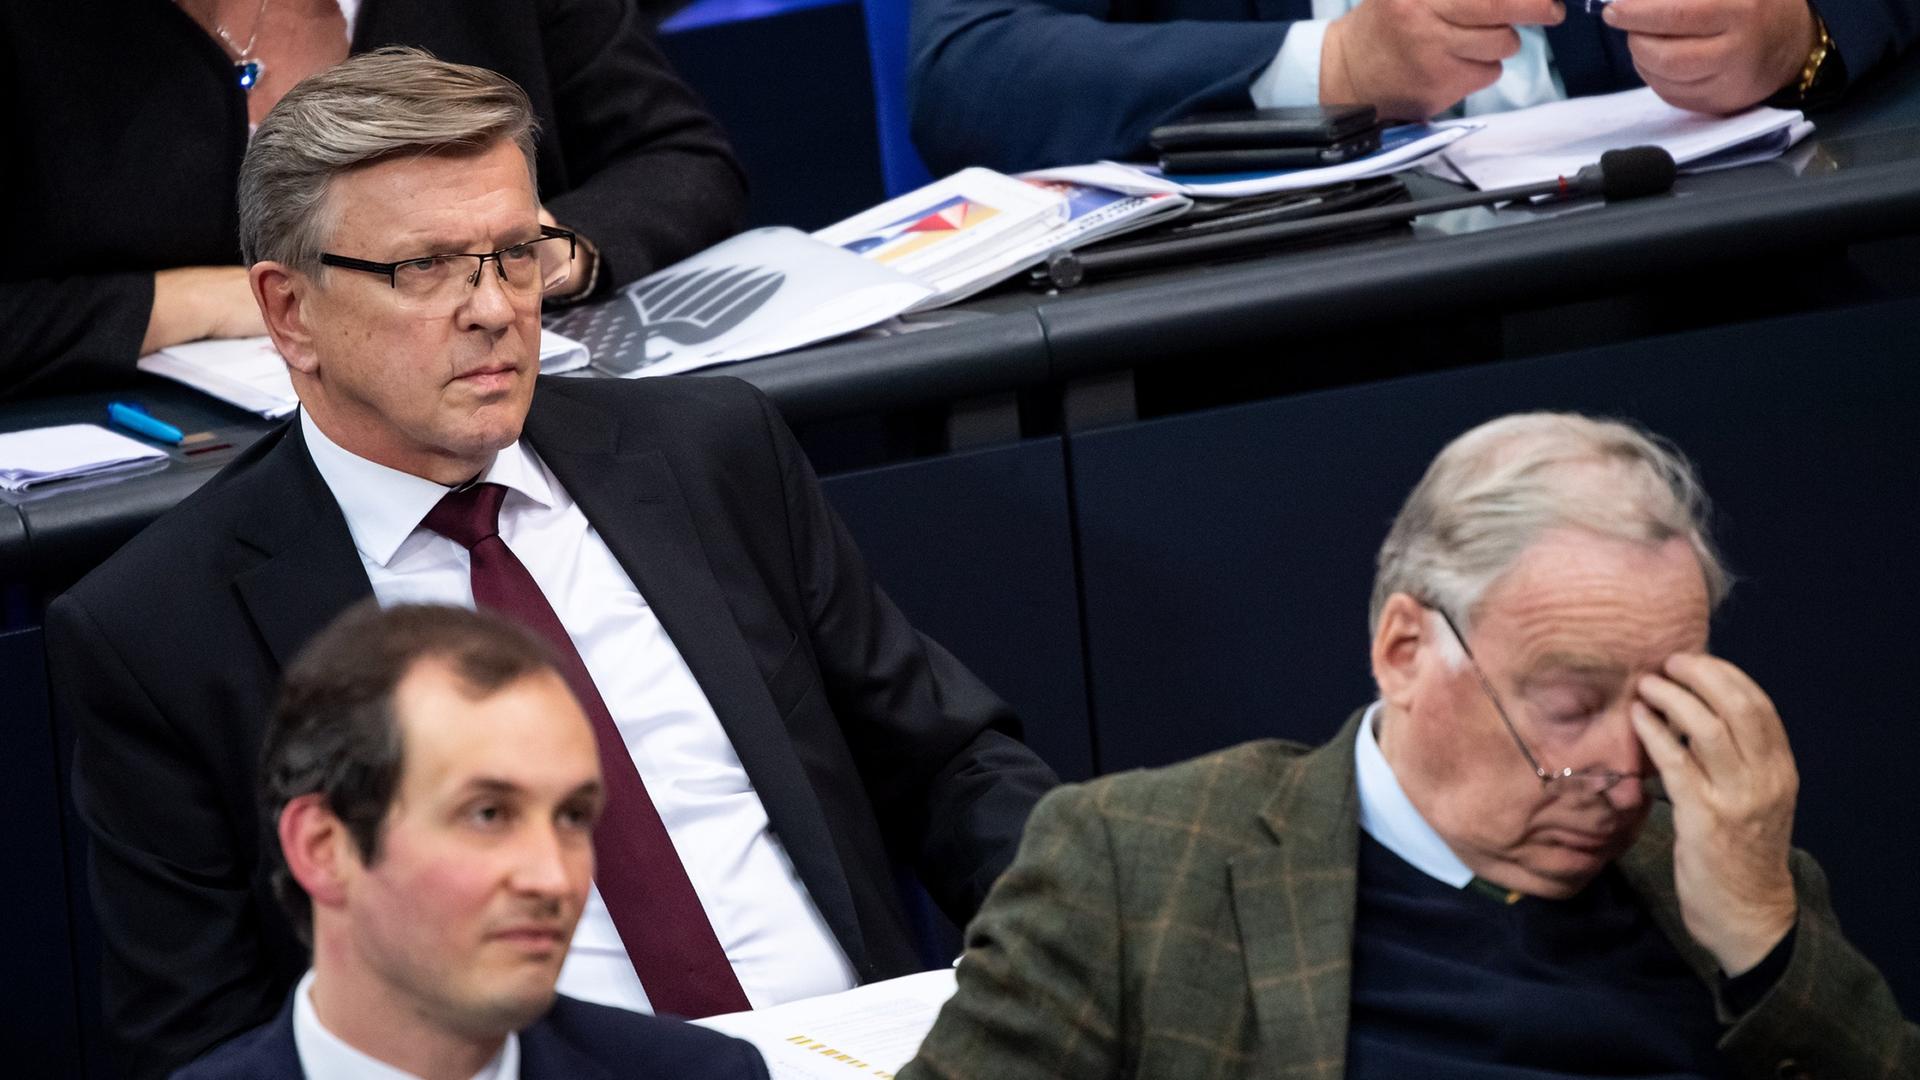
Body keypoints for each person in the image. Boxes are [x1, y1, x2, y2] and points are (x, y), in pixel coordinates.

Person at [48, 48, 1057, 1079]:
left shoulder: (710, 452)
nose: (493, 308)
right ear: (290, 312)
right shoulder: (163, 629)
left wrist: (1090, 941)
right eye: (425, 268)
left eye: (516, 253)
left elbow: (949, 762)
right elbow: (202, 1038)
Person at [901, 412, 1918, 1079]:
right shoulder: (1134, 867)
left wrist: (1766, 939)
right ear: (1404, 649)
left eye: (1660, 707)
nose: (1622, 778)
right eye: (1568, 703)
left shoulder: (1723, 875)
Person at [0, 0, 746, 398]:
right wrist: (190, 304)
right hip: (158, 488)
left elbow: (682, 158)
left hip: (507, 428)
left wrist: (541, 253)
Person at [173, 602, 770, 1080]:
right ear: (324, 848)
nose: (553, 879)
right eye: (487, 814)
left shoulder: (707, 1070)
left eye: (572, 816)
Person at [908, 0, 1919, 173]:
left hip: (1718, 254)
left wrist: (1804, 30)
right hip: (1302, 344)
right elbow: (972, 71)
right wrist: (1337, 69)